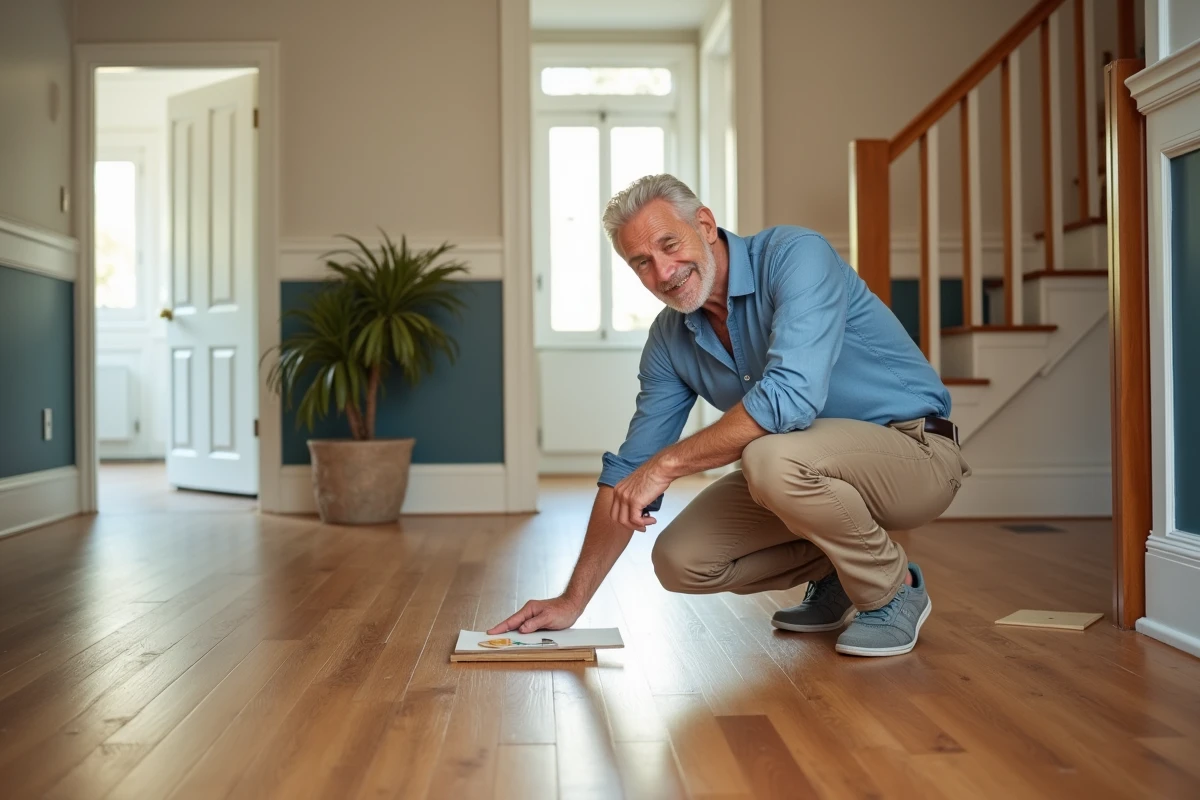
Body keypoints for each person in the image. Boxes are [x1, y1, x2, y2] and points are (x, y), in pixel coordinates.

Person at [489, 174, 970, 657]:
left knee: (767, 455)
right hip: (808, 472)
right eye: (642, 263)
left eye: (669, 244)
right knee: (681, 560)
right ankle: (839, 571)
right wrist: (572, 602)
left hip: (915, 453)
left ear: (706, 224)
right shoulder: (669, 341)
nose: (663, 271)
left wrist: (667, 466)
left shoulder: (795, 255)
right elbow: (629, 473)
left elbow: (790, 400)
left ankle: (893, 588)